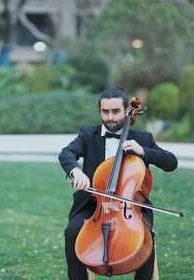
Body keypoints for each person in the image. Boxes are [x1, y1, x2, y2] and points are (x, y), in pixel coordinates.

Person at [58, 88, 178, 280]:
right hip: (93, 206)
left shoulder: (142, 139)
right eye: (105, 112)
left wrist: (144, 151)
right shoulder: (89, 134)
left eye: (115, 111)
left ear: (126, 111)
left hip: (131, 208)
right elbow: (66, 154)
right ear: (100, 111)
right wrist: (76, 171)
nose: (110, 117)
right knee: (72, 231)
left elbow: (172, 163)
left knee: (145, 237)